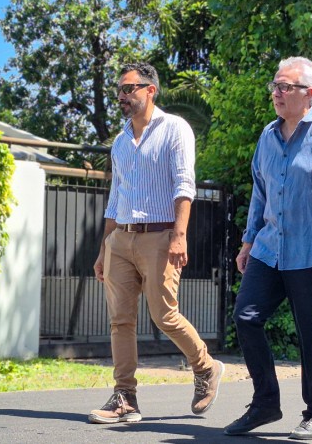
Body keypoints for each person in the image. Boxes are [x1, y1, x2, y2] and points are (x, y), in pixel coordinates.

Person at [89, 62, 225, 424]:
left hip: (161, 235)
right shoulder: (120, 142)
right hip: (121, 238)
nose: (122, 95)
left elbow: (184, 184)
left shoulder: (174, 128)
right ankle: (125, 398)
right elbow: (115, 198)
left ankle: (206, 366)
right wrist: (104, 248)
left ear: (150, 90)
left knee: (164, 315)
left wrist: (179, 235)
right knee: (120, 320)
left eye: (129, 88)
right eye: (119, 89)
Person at [223, 57, 312, 440]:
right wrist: (248, 241)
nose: (276, 93)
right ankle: (265, 404)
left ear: (309, 93)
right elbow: (260, 191)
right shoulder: (268, 135)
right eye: (275, 86)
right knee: (246, 316)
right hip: (269, 248)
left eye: (285, 87)